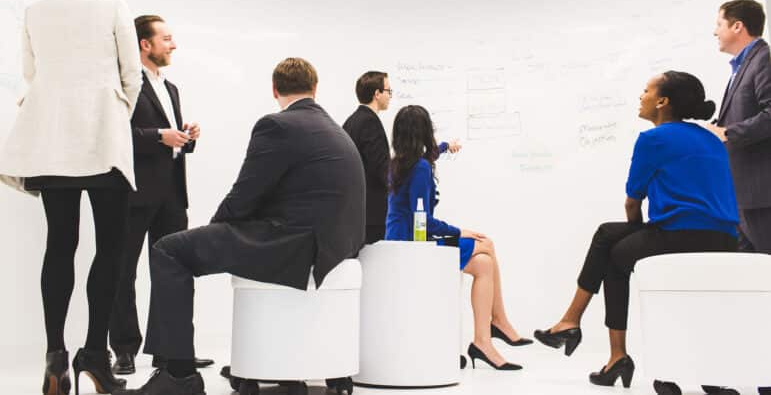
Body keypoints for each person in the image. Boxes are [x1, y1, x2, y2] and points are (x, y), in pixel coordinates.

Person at [118, 58, 366, 395]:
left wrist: (213, 232)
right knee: (187, 246)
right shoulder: (333, 128)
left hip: (295, 244)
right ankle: (240, 362)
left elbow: (245, 195)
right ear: (315, 88)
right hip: (335, 246)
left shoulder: (277, 125)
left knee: (170, 250)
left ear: (275, 90)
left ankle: (178, 375)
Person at [534, 72, 739, 388]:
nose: (640, 96)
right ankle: (576, 327)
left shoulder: (653, 139)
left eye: (646, 90)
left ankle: (604, 346)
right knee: (608, 236)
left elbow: (632, 203)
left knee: (613, 253)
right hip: (725, 240)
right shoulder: (710, 138)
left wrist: (634, 232)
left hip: (681, 236)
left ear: (662, 101)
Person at [0, 0, 141, 395]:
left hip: (52, 140)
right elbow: (132, 76)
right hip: (102, 140)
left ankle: (55, 359)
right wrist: (115, 115)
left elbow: (32, 73)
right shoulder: (113, 6)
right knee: (111, 248)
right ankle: (96, 357)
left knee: (60, 245)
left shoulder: (35, 11)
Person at [385, 105, 530, 371]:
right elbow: (422, 222)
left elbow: (428, 159)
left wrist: (444, 147)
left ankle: (484, 341)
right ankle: (498, 322)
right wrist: (458, 231)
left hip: (399, 243)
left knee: (484, 264)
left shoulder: (400, 163)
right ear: (424, 132)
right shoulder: (420, 168)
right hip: (414, 247)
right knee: (486, 244)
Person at [108, 15, 212, 375]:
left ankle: (172, 352)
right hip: (133, 193)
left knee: (175, 271)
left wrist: (186, 136)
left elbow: (171, 140)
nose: (173, 45)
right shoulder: (125, 83)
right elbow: (116, 134)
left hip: (172, 194)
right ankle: (124, 350)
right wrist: (158, 136)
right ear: (145, 44)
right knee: (123, 272)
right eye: (166, 38)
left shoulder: (171, 88)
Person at [703, 0, 771, 395]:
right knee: (745, 288)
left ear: (738, 26)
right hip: (742, 198)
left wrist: (728, 133)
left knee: (764, 286)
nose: (715, 31)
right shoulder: (739, 67)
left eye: (719, 23)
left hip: (761, 196)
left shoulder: (762, 59)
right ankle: (749, 374)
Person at [343, 71, 392, 244]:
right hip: (371, 214)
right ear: (377, 94)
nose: (390, 96)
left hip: (355, 211)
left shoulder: (351, 121)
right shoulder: (370, 122)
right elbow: (381, 169)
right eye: (388, 91)